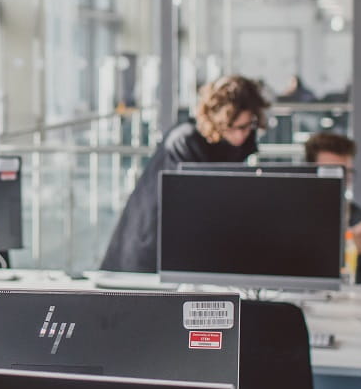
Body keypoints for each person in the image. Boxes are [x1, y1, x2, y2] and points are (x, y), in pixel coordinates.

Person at [100, 75, 270, 273]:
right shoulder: (185, 141)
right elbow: (196, 208)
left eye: (248, 126)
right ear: (218, 120)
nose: (242, 134)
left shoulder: (235, 143)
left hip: (180, 248)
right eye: (233, 127)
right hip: (150, 247)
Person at [304, 132, 361, 285]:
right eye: (332, 172)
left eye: (347, 173)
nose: (342, 181)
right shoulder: (293, 217)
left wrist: (359, 255)